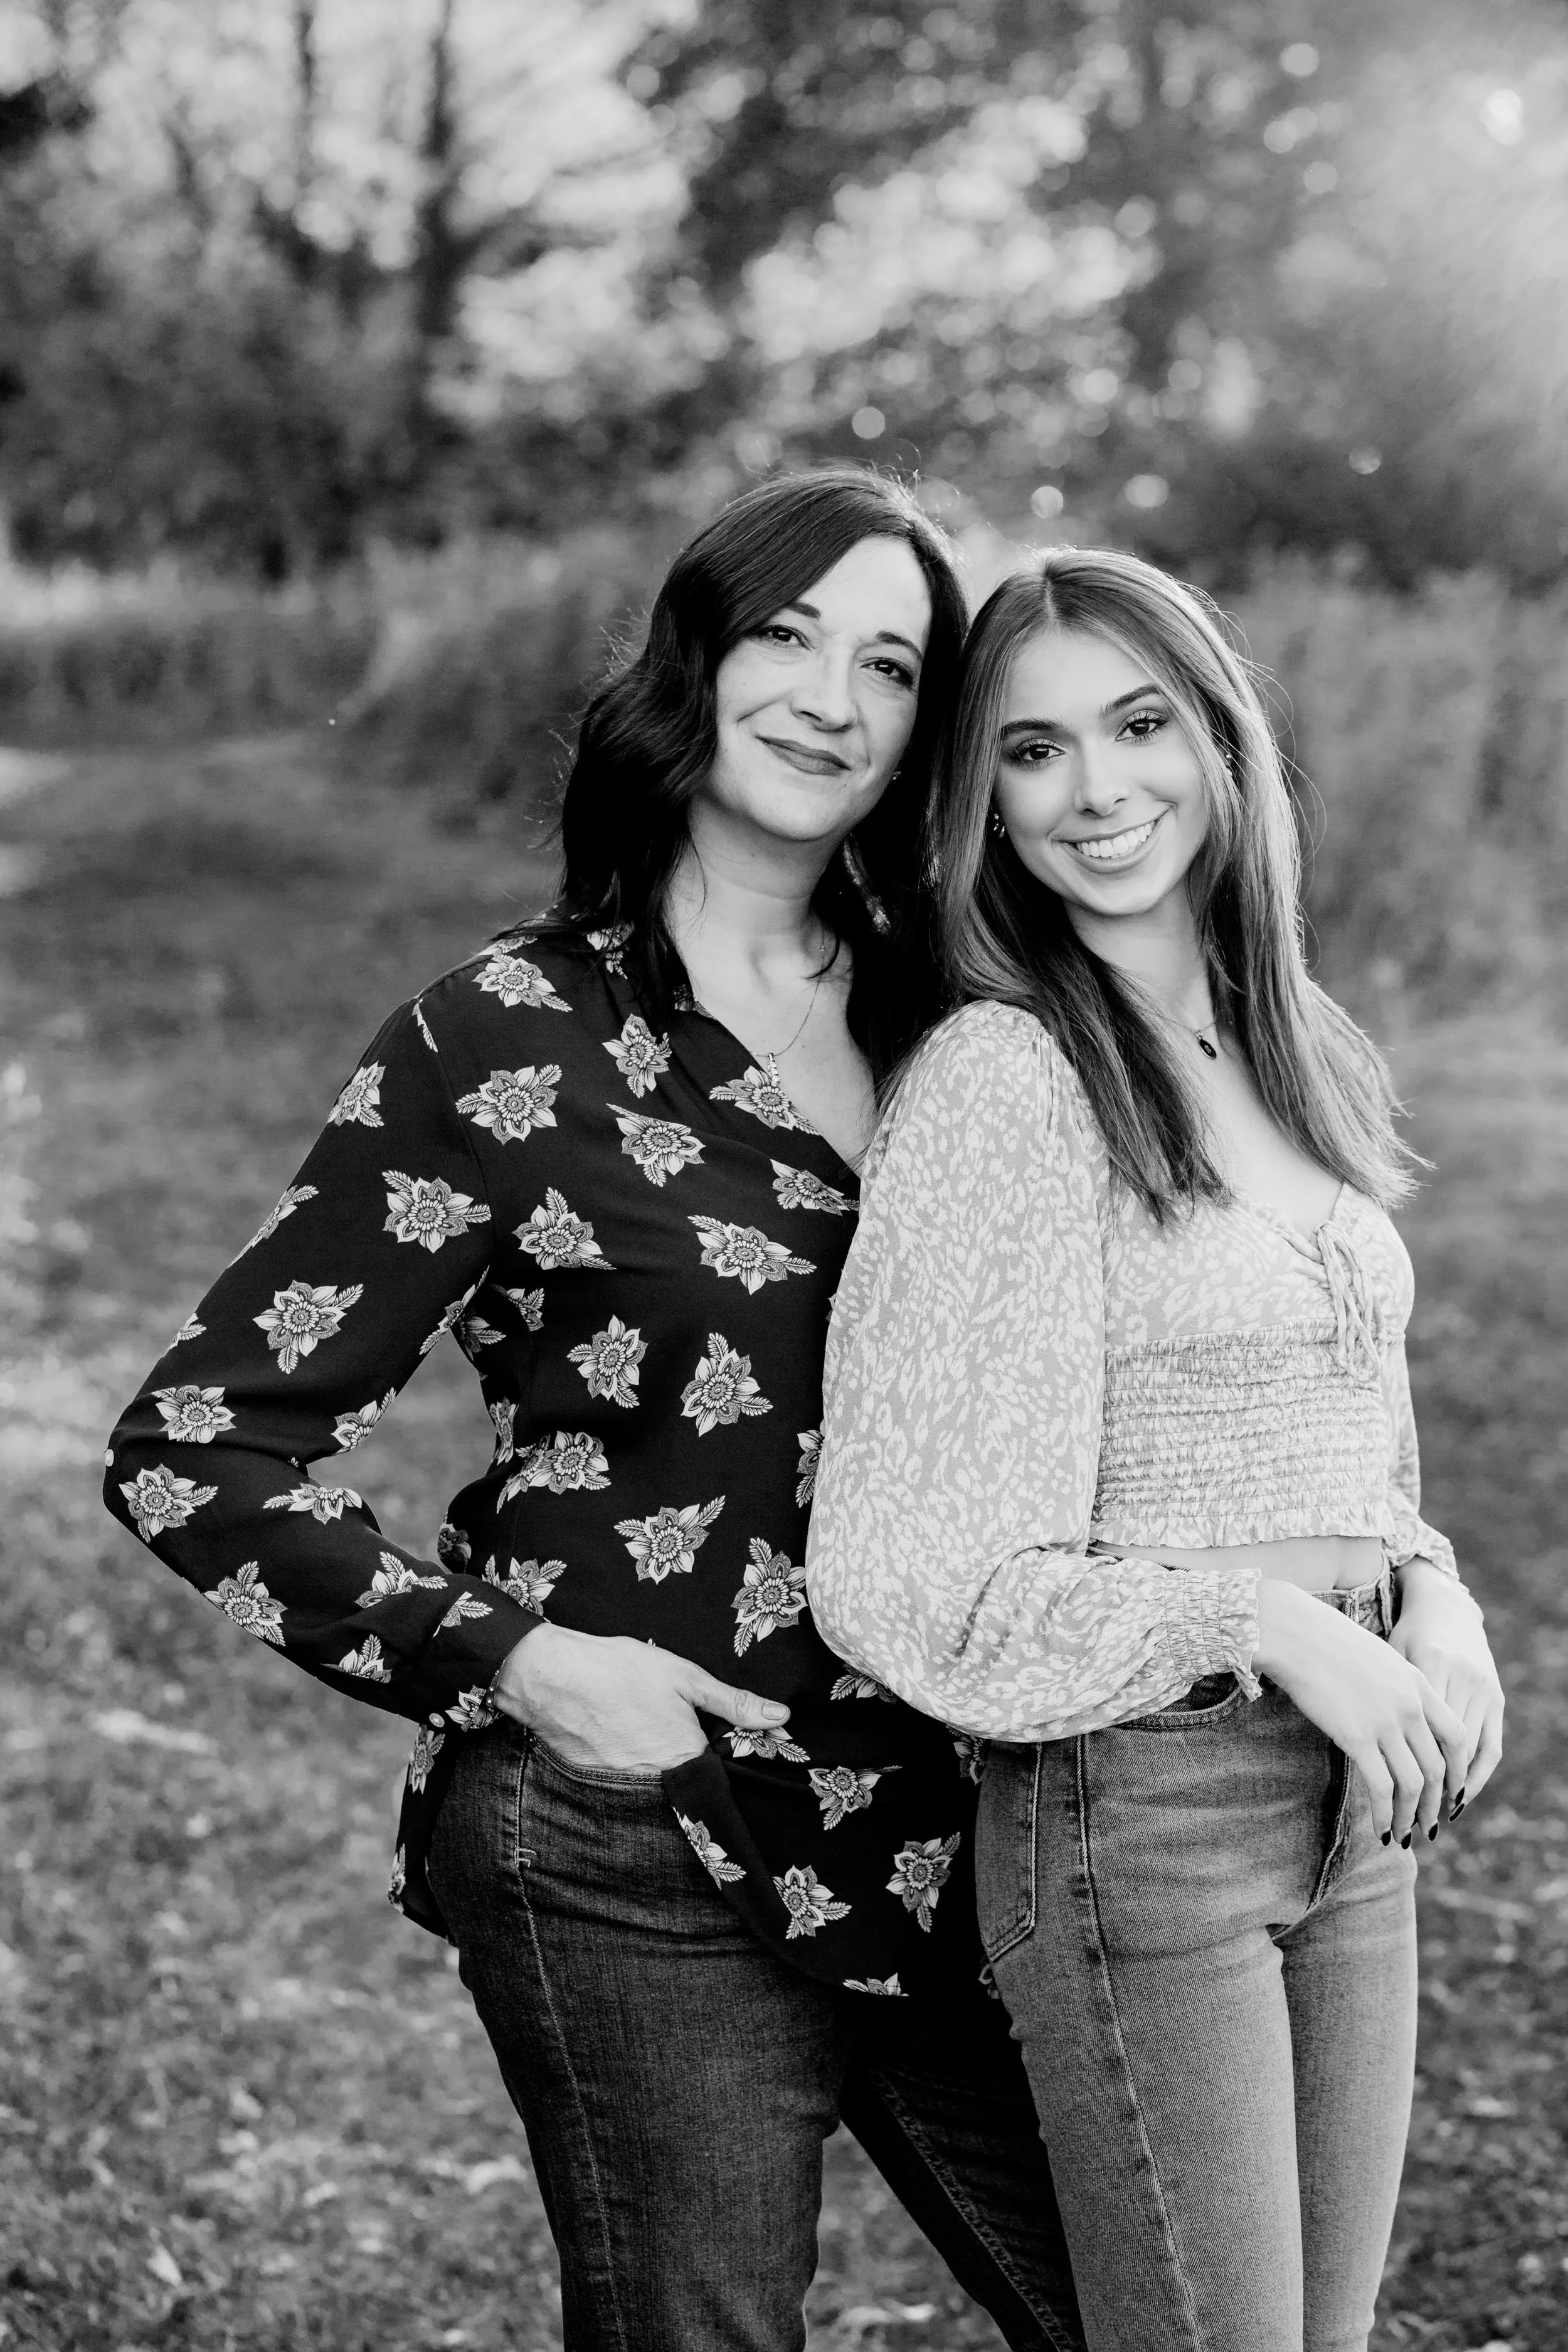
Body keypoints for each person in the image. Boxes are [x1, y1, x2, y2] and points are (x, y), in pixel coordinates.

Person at [103, 467, 1084, 2352]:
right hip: (641, 1823)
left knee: (1177, 2308)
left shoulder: (969, 1024)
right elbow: (192, 1448)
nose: (830, 694)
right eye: (787, 635)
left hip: (957, 1810)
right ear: (695, 660)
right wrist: (527, 1664)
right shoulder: (508, 1034)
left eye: (890, 662)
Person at [807, 546, 1506, 2352]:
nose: (1095, 790)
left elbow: (1345, 1435)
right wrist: (1269, 1627)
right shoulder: (1003, 1082)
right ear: (979, 798)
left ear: (1221, 740)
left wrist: (1429, 1595)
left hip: (1355, 1794)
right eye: (1031, 751)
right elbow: (906, 1575)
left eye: (1136, 725)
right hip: (1142, 1808)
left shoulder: (1298, 1047)